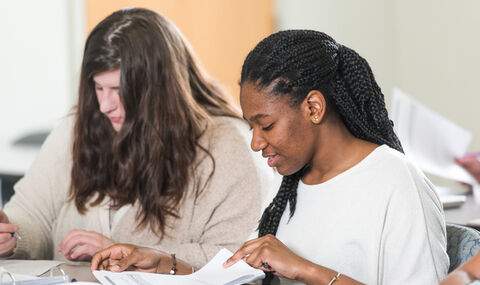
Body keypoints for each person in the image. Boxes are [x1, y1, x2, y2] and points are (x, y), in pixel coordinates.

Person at [91, 30, 449, 284]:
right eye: (251, 127)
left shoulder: (397, 185)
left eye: (266, 125)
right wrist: (163, 264)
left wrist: (305, 270)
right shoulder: (293, 184)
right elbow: (239, 274)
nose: (255, 143)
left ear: (313, 107)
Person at [0, 8, 272, 270]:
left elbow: (237, 258)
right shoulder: (80, 125)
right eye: (98, 87)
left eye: (118, 90)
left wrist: (127, 253)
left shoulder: (229, 147)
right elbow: (32, 214)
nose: (105, 105)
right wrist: (11, 236)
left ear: (161, 91)